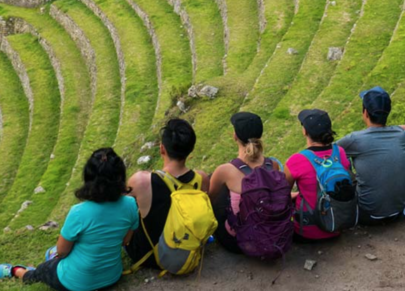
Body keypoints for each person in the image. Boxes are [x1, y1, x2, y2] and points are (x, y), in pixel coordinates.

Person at [0, 148, 140, 291]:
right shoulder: (131, 204)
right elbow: (124, 241)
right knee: (57, 253)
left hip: (76, 283)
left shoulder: (78, 212)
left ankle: (17, 272)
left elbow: (62, 252)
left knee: (44, 268)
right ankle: (50, 258)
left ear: (89, 179)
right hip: (111, 277)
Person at [123, 119, 209, 270]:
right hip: (187, 250)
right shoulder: (201, 179)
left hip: (148, 256)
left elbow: (121, 213)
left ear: (162, 149)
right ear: (191, 149)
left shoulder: (142, 181)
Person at [208, 112, 291, 254]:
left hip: (240, 242)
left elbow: (210, 199)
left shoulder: (225, 171)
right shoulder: (273, 165)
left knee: (218, 190)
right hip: (274, 235)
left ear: (235, 136)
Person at [337, 87, 405, 224]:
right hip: (398, 211)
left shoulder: (355, 139)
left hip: (368, 215)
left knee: (339, 161)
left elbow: (327, 151)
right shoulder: (399, 134)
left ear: (365, 112)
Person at [285, 109, 352, 241]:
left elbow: (282, 193)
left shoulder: (296, 160)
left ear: (305, 131)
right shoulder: (340, 153)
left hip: (306, 232)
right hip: (337, 225)